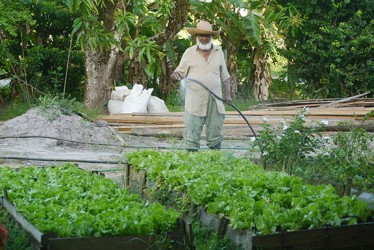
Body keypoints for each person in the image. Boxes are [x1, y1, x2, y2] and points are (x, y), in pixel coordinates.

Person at [170, 20, 232, 152]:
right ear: (196, 37)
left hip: (215, 100)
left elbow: (225, 77)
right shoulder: (189, 52)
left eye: (206, 35)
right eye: (201, 36)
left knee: (215, 131)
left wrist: (228, 95)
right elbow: (179, 72)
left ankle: (216, 159)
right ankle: (191, 160)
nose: (203, 38)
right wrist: (175, 76)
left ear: (211, 37)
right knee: (192, 131)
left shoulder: (219, 52)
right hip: (194, 100)